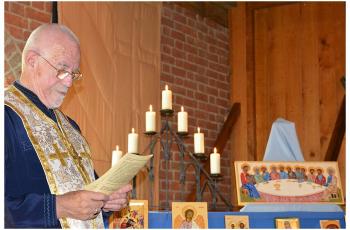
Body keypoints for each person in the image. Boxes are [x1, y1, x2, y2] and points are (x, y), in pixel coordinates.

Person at [5, 23, 132, 228]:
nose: (69, 83)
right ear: (32, 61)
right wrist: (57, 207)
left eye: (73, 74)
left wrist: (105, 202)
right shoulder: (6, 115)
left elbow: (86, 196)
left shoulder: (70, 127)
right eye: (63, 70)